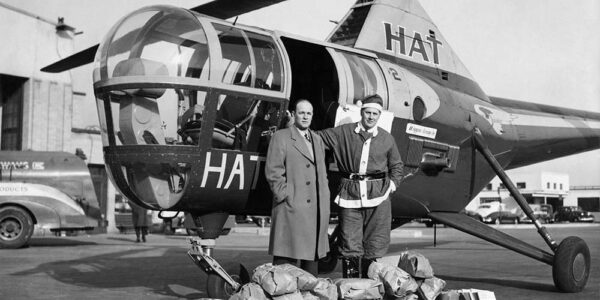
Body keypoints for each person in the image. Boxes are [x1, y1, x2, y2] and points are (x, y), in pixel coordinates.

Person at [316, 94, 404, 278]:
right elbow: (317, 138)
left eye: (375, 114)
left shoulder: (387, 139)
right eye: (368, 112)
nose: (371, 117)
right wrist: (293, 128)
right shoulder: (343, 132)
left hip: (378, 195)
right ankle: (352, 288)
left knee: (375, 242)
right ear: (362, 112)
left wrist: (392, 186)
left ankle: (369, 289)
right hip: (350, 194)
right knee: (349, 241)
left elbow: (397, 165)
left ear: (379, 116)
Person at [265, 99, 331, 276]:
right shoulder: (281, 137)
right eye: (301, 113)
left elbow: (321, 172)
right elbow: (273, 171)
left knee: (310, 272)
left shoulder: (317, 140)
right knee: (284, 269)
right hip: (291, 209)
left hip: (315, 213)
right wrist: (286, 195)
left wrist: (324, 201)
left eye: (309, 113)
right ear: (294, 115)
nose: (305, 116)